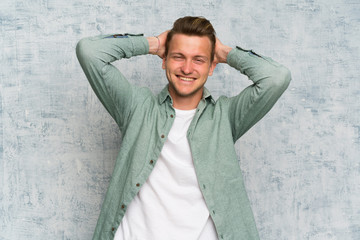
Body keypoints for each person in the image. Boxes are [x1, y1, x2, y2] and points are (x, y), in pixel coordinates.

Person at [76, 16, 291, 240]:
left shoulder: (225, 117)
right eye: (178, 57)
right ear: (164, 60)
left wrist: (225, 52)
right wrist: (154, 44)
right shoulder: (136, 107)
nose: (187, 68)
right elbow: (90, 52)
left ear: (211, 66)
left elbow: (277, 78)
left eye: (199, 60)